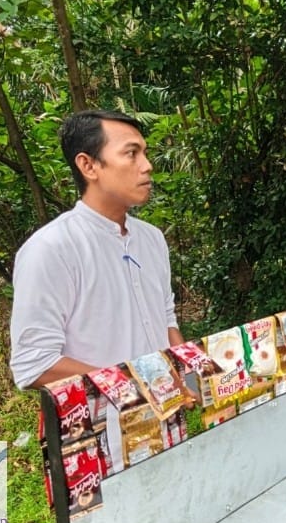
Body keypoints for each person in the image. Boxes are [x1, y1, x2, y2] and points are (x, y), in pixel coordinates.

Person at [10, 110, 184, 391]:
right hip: (103, 418)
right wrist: (138, 388)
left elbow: (166, 319)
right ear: (88, 166)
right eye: (131, 153)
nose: (147, 165)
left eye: (145, 153)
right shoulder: (51, 249)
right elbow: (35, 363)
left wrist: (185, 378)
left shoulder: (152, 239)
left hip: (169, 413)